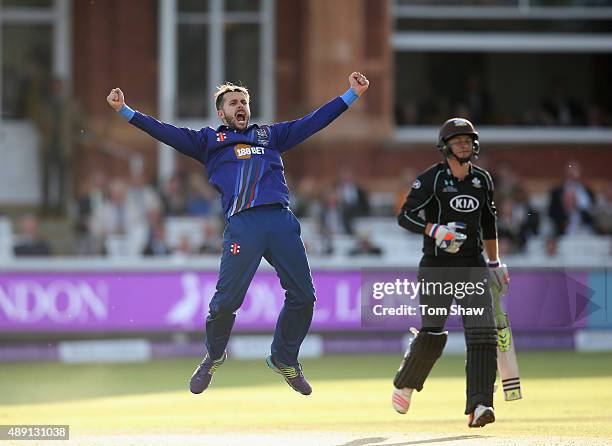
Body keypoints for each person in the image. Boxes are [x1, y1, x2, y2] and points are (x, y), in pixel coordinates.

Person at [107, 72, 369, 396]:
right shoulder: (209, 142)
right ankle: (213, 356)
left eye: (244, 101)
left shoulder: (269, 136)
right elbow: (166, 132)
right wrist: (125, 111)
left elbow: (312, 122)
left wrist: (351, 95)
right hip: (243, 226)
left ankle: (284, 358)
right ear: (222, 113)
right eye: (233, 103)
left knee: (304, 296)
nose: (241, 106)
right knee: (225, 303)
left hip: (281, 221)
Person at [392, 118, 509, 428]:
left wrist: (495, 264)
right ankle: (406, 382)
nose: (464, 145)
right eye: (458, 141)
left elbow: (488, 223)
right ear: (445, 147)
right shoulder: (431, 179)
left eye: (468, 140)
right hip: (436, 267)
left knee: (482, 334)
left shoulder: (482, 180)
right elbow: (404, 217)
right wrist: (436, 231)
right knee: (433, 332)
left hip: (473, 265)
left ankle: (480, 404)